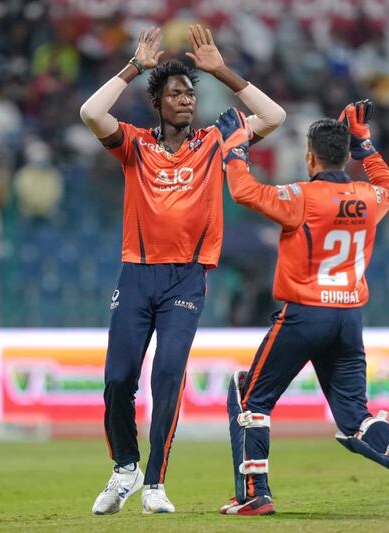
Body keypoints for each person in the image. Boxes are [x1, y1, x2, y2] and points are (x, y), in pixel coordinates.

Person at [79, 24, 285, 515]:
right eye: (176, 93)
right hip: (137, 274)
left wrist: (223, 72)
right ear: (159, 102)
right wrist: (134, 67)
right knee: (117, 379)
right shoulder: (134, 145)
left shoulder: (216, 140)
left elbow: (274, 116)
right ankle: (124, 468)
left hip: (187, 278)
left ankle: (154, 483)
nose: (187, 100)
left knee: (168, 376)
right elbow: (90, 112)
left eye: (191, 93)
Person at [213, 101, 389, 516]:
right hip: (348, 320)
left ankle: (254, 492)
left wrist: (235, 148)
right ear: (343, 154)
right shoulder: (369, 197)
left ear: (310, 157)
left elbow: (243, 191)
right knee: (355, 418)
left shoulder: (302, 197)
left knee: (249, 396)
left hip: (304, 314)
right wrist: (366, 146)